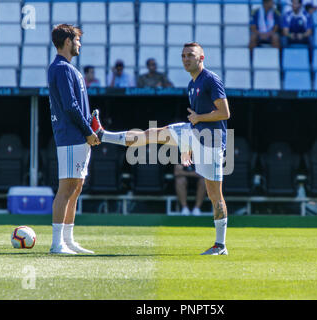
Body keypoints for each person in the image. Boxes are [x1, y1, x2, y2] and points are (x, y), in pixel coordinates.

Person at [91, 42, 231, 255]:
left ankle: (220, 245)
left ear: (201, 58)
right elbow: (196, 120)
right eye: (183, 55)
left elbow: (225, 113)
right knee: (150, 135)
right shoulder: (191, 84)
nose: (186, 59)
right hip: (194, 134)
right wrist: (187, 146)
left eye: (190, 55)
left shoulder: (211, 79)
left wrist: (198, 119)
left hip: (211, 142)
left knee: (215, 196)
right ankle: (102, 134)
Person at [47, 24, 100, 255]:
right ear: (68, 41)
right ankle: (57, 244)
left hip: (78, 135)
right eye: (77, 40)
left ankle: (68, 240)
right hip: (71, 136)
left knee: (76, 187)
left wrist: (90, 126)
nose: (79, 44)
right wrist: (88, 130)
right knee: (66, 188)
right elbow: (70, 106)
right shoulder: (61, 68)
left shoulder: (69, 69)